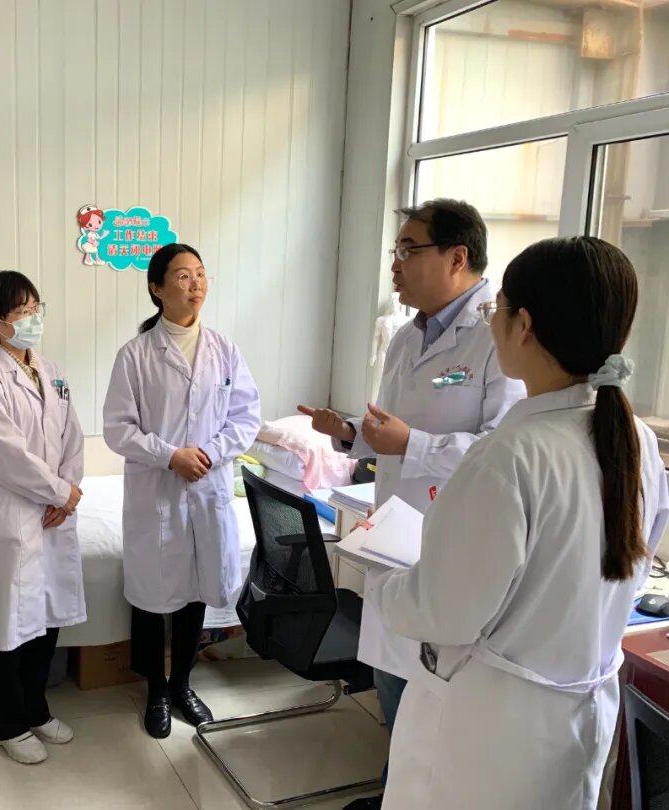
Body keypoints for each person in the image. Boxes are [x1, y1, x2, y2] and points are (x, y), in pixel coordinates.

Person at [376, 236, 669, 809]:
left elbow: (446, 611)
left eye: (497, 309)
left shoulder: (508, 456)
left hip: (489, 731)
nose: (492, 322)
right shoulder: (633, 439)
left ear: (525, 325)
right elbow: (629, 568)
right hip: (575, 720)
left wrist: (386, 587)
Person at [300, 199, 525, 810]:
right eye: (395, 251)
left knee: (438, 708)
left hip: (456, 545)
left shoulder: (496, 337)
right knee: (396, 686)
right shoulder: (406, 337)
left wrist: (413, 444)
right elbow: (390, 428)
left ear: (457, 257)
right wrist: (350, 431)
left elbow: (506, 449)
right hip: (396, 538)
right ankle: (395, 790)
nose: (394, 265)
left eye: (408, 250)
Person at [103, 243, 261, 739]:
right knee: (152, 597)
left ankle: (182, 685)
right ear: (157, 288)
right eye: (183, 276)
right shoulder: (135, 355)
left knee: (196, 590)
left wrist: (210, 453)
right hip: (158, 491)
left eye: (201, 274)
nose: (196, 284)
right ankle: (155, 689)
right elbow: (117, 428)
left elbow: (246, 417)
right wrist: (169, 454)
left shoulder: (224, 349)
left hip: (208, 489)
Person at [0, 270, 86, 765]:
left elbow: (72, 436)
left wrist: (68, 491)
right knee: (7, 625)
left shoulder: (49, 369)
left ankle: (36, 708)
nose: (34, 318)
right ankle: (6, 722)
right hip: (14, 511)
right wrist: (59, 491)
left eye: (36, 308)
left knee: (46, 620)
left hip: (54, 512)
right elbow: (7, 455)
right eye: (22, 311)